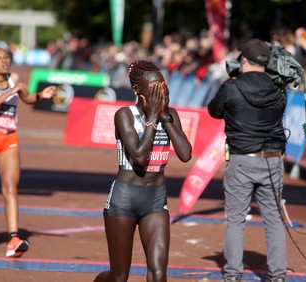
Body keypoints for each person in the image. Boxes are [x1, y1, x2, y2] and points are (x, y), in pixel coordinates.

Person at [93, 60, 192, 282]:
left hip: (155, 200)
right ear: (138, 91)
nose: (161, 92)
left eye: (163, 86)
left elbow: (185, 154)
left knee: (158, 274)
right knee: (119, 277)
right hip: (124, 200)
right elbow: (139, 157)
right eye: (154, 88)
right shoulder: (124, 115)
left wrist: (165, 118)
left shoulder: (171, 115)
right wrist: (152, 119)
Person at [207, 38, 288, 282]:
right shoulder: (278, 88)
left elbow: (214, 110)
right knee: (273, 219)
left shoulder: (231, 87)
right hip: (272, 160)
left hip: (242, 159)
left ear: (243, 60)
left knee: (235, 219)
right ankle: (278, 276)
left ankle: (233, 275)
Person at [0, 46, 57, 258]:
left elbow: (27, 98)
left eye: (6, 57)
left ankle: (13, 239)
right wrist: (11, 92)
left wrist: (41, 95)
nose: (4, 61)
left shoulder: (14, 77)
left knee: (10, 189)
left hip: (8, 139)